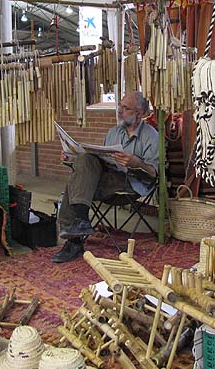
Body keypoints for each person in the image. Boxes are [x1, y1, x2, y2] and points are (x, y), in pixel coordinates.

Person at [52, 91, 159, 263]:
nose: (120, 111)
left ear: (139, 113)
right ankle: (81, 220)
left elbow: (153, 174)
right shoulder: (113, 132)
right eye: (120, 106)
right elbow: (99, 163)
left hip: (131, 184)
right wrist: (72, 160)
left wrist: (136, 163)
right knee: (84, 160)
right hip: (107, 179)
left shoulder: (151, 136)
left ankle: (74, 240)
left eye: (125, 108)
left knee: (76, 181)